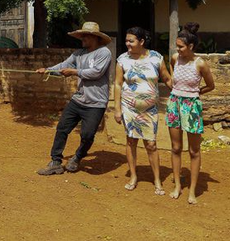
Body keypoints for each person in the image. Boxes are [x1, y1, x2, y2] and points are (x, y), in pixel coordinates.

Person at [35, 21, 112, 175]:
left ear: (94, 37)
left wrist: (74, 72)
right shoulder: (78, 54)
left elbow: (96, 72)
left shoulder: (104, 53)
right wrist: (48, 70)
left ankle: (78, 157)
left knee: (87, 135)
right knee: (62, 128)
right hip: (78, 99)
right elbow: (64, 65)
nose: (82, 38)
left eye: (85, 35)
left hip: (96, 103)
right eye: (81, 35)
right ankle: (56, 161)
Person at [114, 27, 172, 193]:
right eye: (126, 40)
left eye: (131, 41)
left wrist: (183, 92)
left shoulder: (156, 58)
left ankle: (157, 180)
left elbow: (167, 79)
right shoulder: (122, 59)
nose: (128, 44)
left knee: (151, 144)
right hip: (129, 107)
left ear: (141, 41)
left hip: (150, 109)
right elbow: (118, 84)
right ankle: (133, 176)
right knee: (131, 140)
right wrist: (117, 109)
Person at [167, 22, 215, 204]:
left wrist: (194, 94)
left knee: (194, 150)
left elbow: (211, 85)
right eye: (177, 46)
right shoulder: (174, 59)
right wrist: (176, 90)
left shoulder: (200, 63)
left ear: (191, 46)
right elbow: (172, 77)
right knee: (176, 148)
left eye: (181, 47)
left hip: (192, 106)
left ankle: (192, 191)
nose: (178, 50)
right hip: (174, 105)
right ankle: (177, 185)